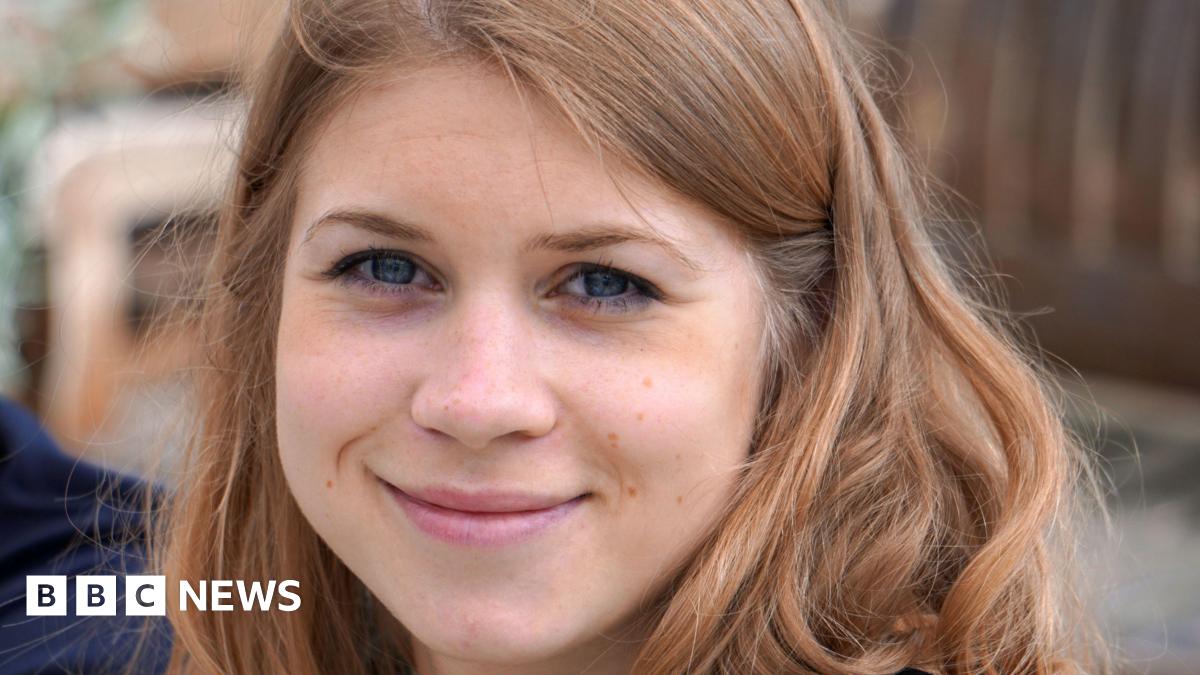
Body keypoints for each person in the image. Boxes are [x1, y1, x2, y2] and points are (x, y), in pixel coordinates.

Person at [134, 0, 1107, 673]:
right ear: (260, 304)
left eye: (606, 284)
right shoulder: (175, 614)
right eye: (385, 268)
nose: (477, 402)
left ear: (808, 335)